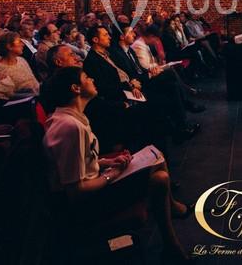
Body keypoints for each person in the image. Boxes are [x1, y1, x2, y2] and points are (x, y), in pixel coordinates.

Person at [41, 67, 192, 263]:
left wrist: (107, 162)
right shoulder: (70, 127)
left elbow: (82, 161)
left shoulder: (72, 118)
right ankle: (172, 243)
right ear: (75, 88)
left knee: (157, 157)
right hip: (85, 205)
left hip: (94, 184)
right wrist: (112, 173)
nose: (92, 78)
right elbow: (76, 190)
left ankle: (171, 239)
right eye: (86, 77)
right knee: (160, 176)